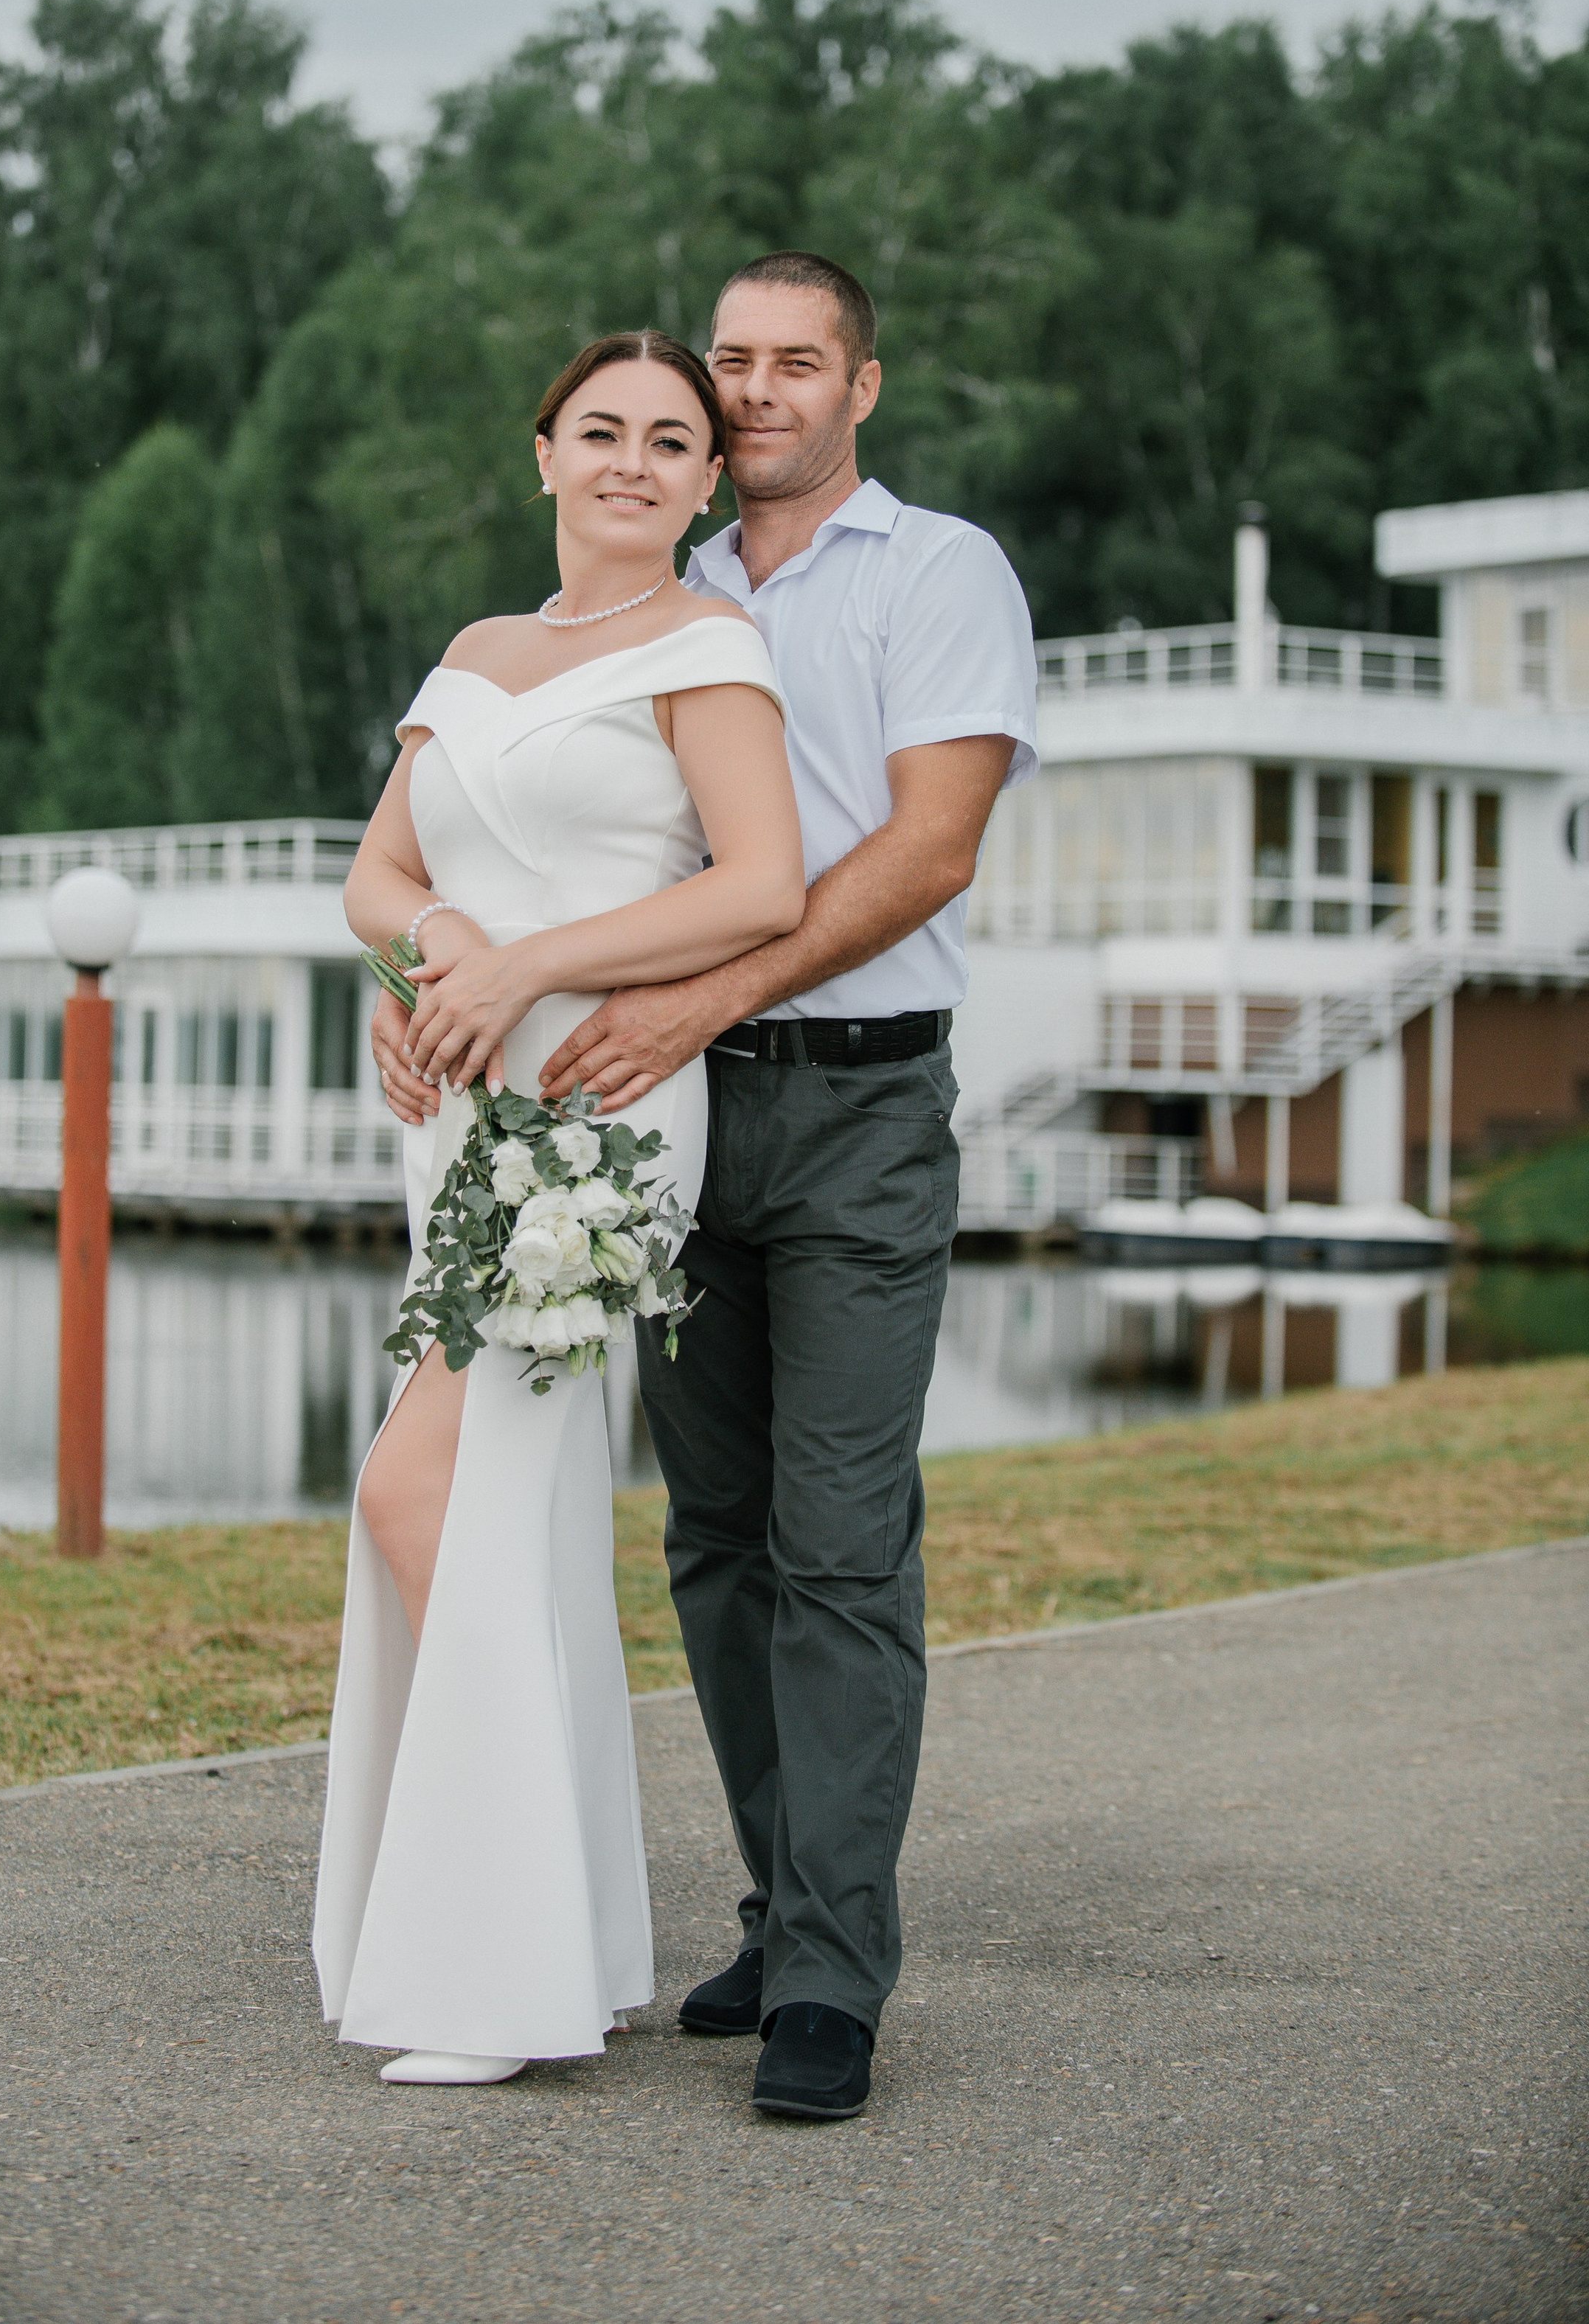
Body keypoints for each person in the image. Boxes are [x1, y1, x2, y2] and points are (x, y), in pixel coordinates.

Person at [374, 252, 1037, 2121]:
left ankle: (833, 1971)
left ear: (861, 385)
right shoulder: (654, 575)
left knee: (839, 1541)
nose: (749, 393)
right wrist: (434, 979)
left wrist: (702, 999)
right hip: (637, 1122)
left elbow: (923, 848)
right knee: (714, 1538)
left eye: (789, 364)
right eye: (725, 363)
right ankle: (776, 1904)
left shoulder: (934, 571)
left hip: (847, 1109)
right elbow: (501, 844)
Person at [313, 329, 805, 2088]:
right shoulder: (473, 655)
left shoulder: (706, 648)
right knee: (483, 1506)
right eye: (598, 429)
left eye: (671, 440)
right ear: (540, 455)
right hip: (461, 1107)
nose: (631, 459)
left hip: (596, 1106)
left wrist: (524, 957)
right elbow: (378, 867)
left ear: (701, 483)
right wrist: (429, 952)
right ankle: (555, 1938)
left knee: (428, 1487)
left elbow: (759, 885)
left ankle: (504, 1950)